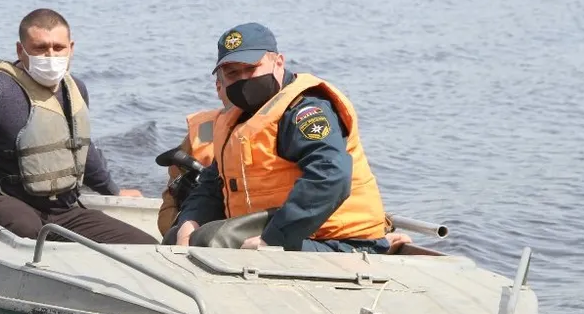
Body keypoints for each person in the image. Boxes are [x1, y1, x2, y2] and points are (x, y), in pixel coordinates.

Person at [0, 8, 156, 244]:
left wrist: (113, 191)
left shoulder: (76, 90)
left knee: (143, 245)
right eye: (40, 48)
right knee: (26, 228)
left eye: (58, 48)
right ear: (21, 50)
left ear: (71, 48)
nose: (51, 56)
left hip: (61, 210)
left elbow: (81, 149)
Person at [172, 22, 411, 254]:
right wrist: (189, 221)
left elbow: (331, 176)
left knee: (213, 240)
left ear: (279, 62)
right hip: (287, 232)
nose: (244, 79)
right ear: (221, 80)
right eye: (233, 73)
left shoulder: (304, 110)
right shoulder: (237, 118)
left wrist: (272, 239)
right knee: (181, 234)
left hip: (339, 240)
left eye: (251, 68)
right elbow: (214, 182)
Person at [156, 76, 231, 235]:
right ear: (219, 88)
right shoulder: (201, 133)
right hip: (201, 228)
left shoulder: (276, 127)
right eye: (233, 76)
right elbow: (168, 206)